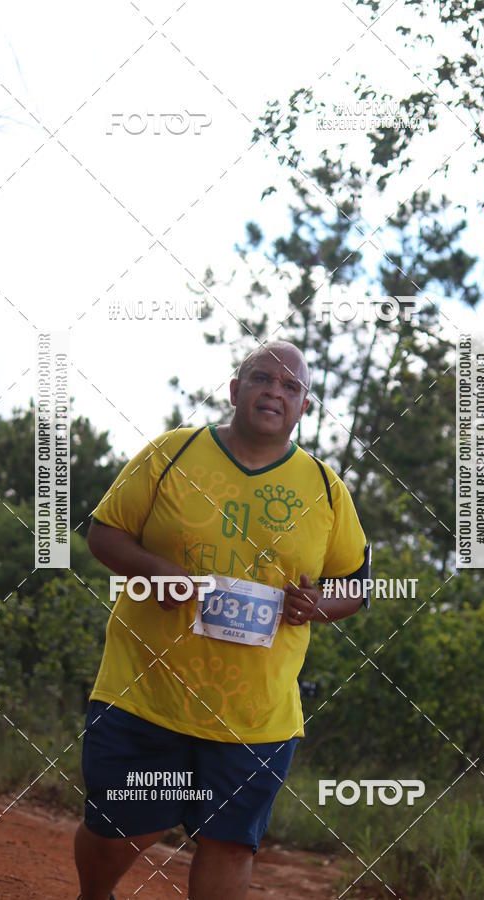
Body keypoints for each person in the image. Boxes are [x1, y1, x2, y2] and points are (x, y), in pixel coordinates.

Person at [75, 340, 369, 900]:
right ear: (236, 390)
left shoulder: (327, 491)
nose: (274, 392)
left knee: (230, 844)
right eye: (263, 378)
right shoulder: (171, 454)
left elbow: (357, 587)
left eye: (291, 387)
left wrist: (319, 606)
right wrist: (154, 569)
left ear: (304, 407)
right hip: (147, 694)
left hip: (255, 716)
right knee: (122, 830)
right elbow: (104, 531)